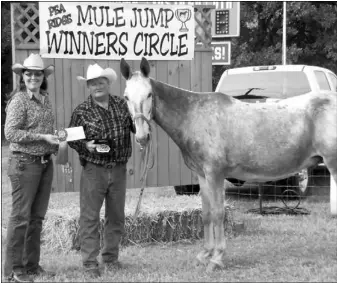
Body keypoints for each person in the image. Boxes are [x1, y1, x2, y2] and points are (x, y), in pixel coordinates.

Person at [68, 63, 135, 278]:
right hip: (93, 170)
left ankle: (111, 258)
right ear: (88, 86)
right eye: (93, 83)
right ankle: (89, 263)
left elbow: (138, 127)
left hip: (118, 169)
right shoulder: (81, 111)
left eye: (101, 82)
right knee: (89, 217)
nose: (97, 86)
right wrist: (84, 145)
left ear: (108, 83)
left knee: (116, 216)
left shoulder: (122, 105)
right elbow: (71, 139)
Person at [4, 54, 60, 282]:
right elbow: (11, 133)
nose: (33, 77)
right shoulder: (19, 101)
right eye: (29, 73)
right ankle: (13, 270)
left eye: (38, 73)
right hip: (25, 163)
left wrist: (55, 140)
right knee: (20, 218)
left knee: (36, 218)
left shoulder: (44, 99)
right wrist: (42, 136)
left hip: (45, 163)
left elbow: (47, 132)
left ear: (43, 77)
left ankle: (31, 265)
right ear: (22, 76)